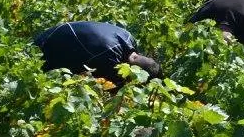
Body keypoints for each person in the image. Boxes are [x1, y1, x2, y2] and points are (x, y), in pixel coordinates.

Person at [33, 21, 161, 88]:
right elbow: (105, 88)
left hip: (57, 32)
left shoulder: (129, 38)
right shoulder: (109, 57)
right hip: (45, 46)